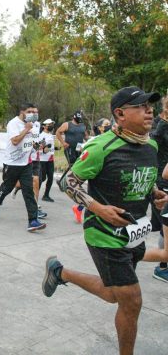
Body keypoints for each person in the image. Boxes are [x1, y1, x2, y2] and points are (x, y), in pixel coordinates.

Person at [42, 86, 168, 355]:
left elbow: (142, 179)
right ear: (120, 114)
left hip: (134, 232)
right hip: (103, 234)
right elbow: (67, 182)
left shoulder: (151, 145)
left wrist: (154, 192)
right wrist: (98, 208)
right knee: (132, 300)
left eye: (150, 106)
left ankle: (60, 272)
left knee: (114, 294)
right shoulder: (101, 147)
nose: (150, 111)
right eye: (142, 106)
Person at [0, 103, 46, 231]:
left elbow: (33, 143)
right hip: (12, 163)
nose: (33, 114)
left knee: (29, 192)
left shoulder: (35, 125)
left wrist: (40, 146)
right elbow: (15, 141)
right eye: (30, 111)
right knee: (7, 188)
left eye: (34, 111)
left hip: (26, 163)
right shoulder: (13, 123)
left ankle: (33, 221)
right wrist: (26, 129)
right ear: (22, 112)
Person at [56, 110, 88, 223]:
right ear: (74, 117)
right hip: (69, 148)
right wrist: (63, 143)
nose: (78, 121)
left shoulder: (83, 126)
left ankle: (62, 181)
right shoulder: (67, 124)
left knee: (73, 167)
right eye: (77, 119)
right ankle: (64, 182)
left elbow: (86, 137)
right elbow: (58, 132)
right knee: (72, 166)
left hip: (79, 149)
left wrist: (87, 143)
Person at [150, 96, 168, 282]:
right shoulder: (157, 123)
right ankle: (162, 267)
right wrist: (162, 126)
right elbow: (151, 144)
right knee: (166, 226)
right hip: (162, 179)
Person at [39, 119, 57, 202]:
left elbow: (50, 148)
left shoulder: (50, 135)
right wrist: (46, 148)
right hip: (42, 160)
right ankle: (33, 192)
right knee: (41, 178)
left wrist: (55, 148)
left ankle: (46, 195)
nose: (51, 126)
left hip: (50, 160)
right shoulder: (41, 136)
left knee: (50, 178)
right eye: (49, 124)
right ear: (44, 126)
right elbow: (40, 150)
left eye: (52, 124)